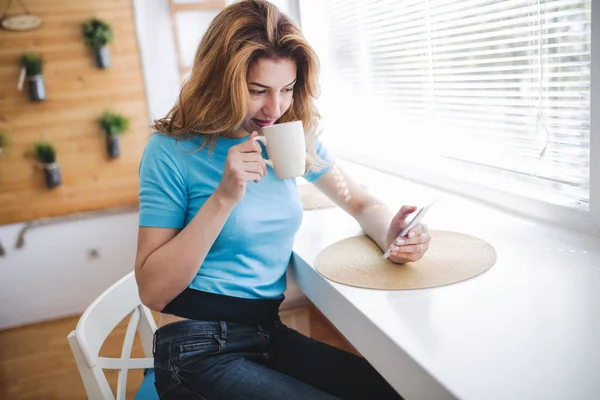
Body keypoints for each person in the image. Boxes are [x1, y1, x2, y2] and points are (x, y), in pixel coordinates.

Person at [135, 1, 431, 399]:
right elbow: (152, 291)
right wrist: (224, 197)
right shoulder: (170, 151)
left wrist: (393, 233)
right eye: (258, 91)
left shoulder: (289, 135)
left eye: (287, 89)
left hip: (266, 335)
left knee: (396, 391)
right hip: (197, 349)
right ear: (220, 81)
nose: (274, 109)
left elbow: (357, 201)